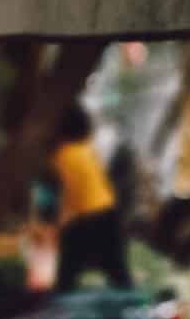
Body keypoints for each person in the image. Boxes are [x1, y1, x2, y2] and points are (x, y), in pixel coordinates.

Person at [50, 102, 132, 293]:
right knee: (115, 268)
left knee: (70, 268)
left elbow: (68, 195)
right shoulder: (85, 149)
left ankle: (60, 300)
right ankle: (129, 301)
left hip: (89, 216)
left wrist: (59, 224)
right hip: (105, 212)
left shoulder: (61, 156)